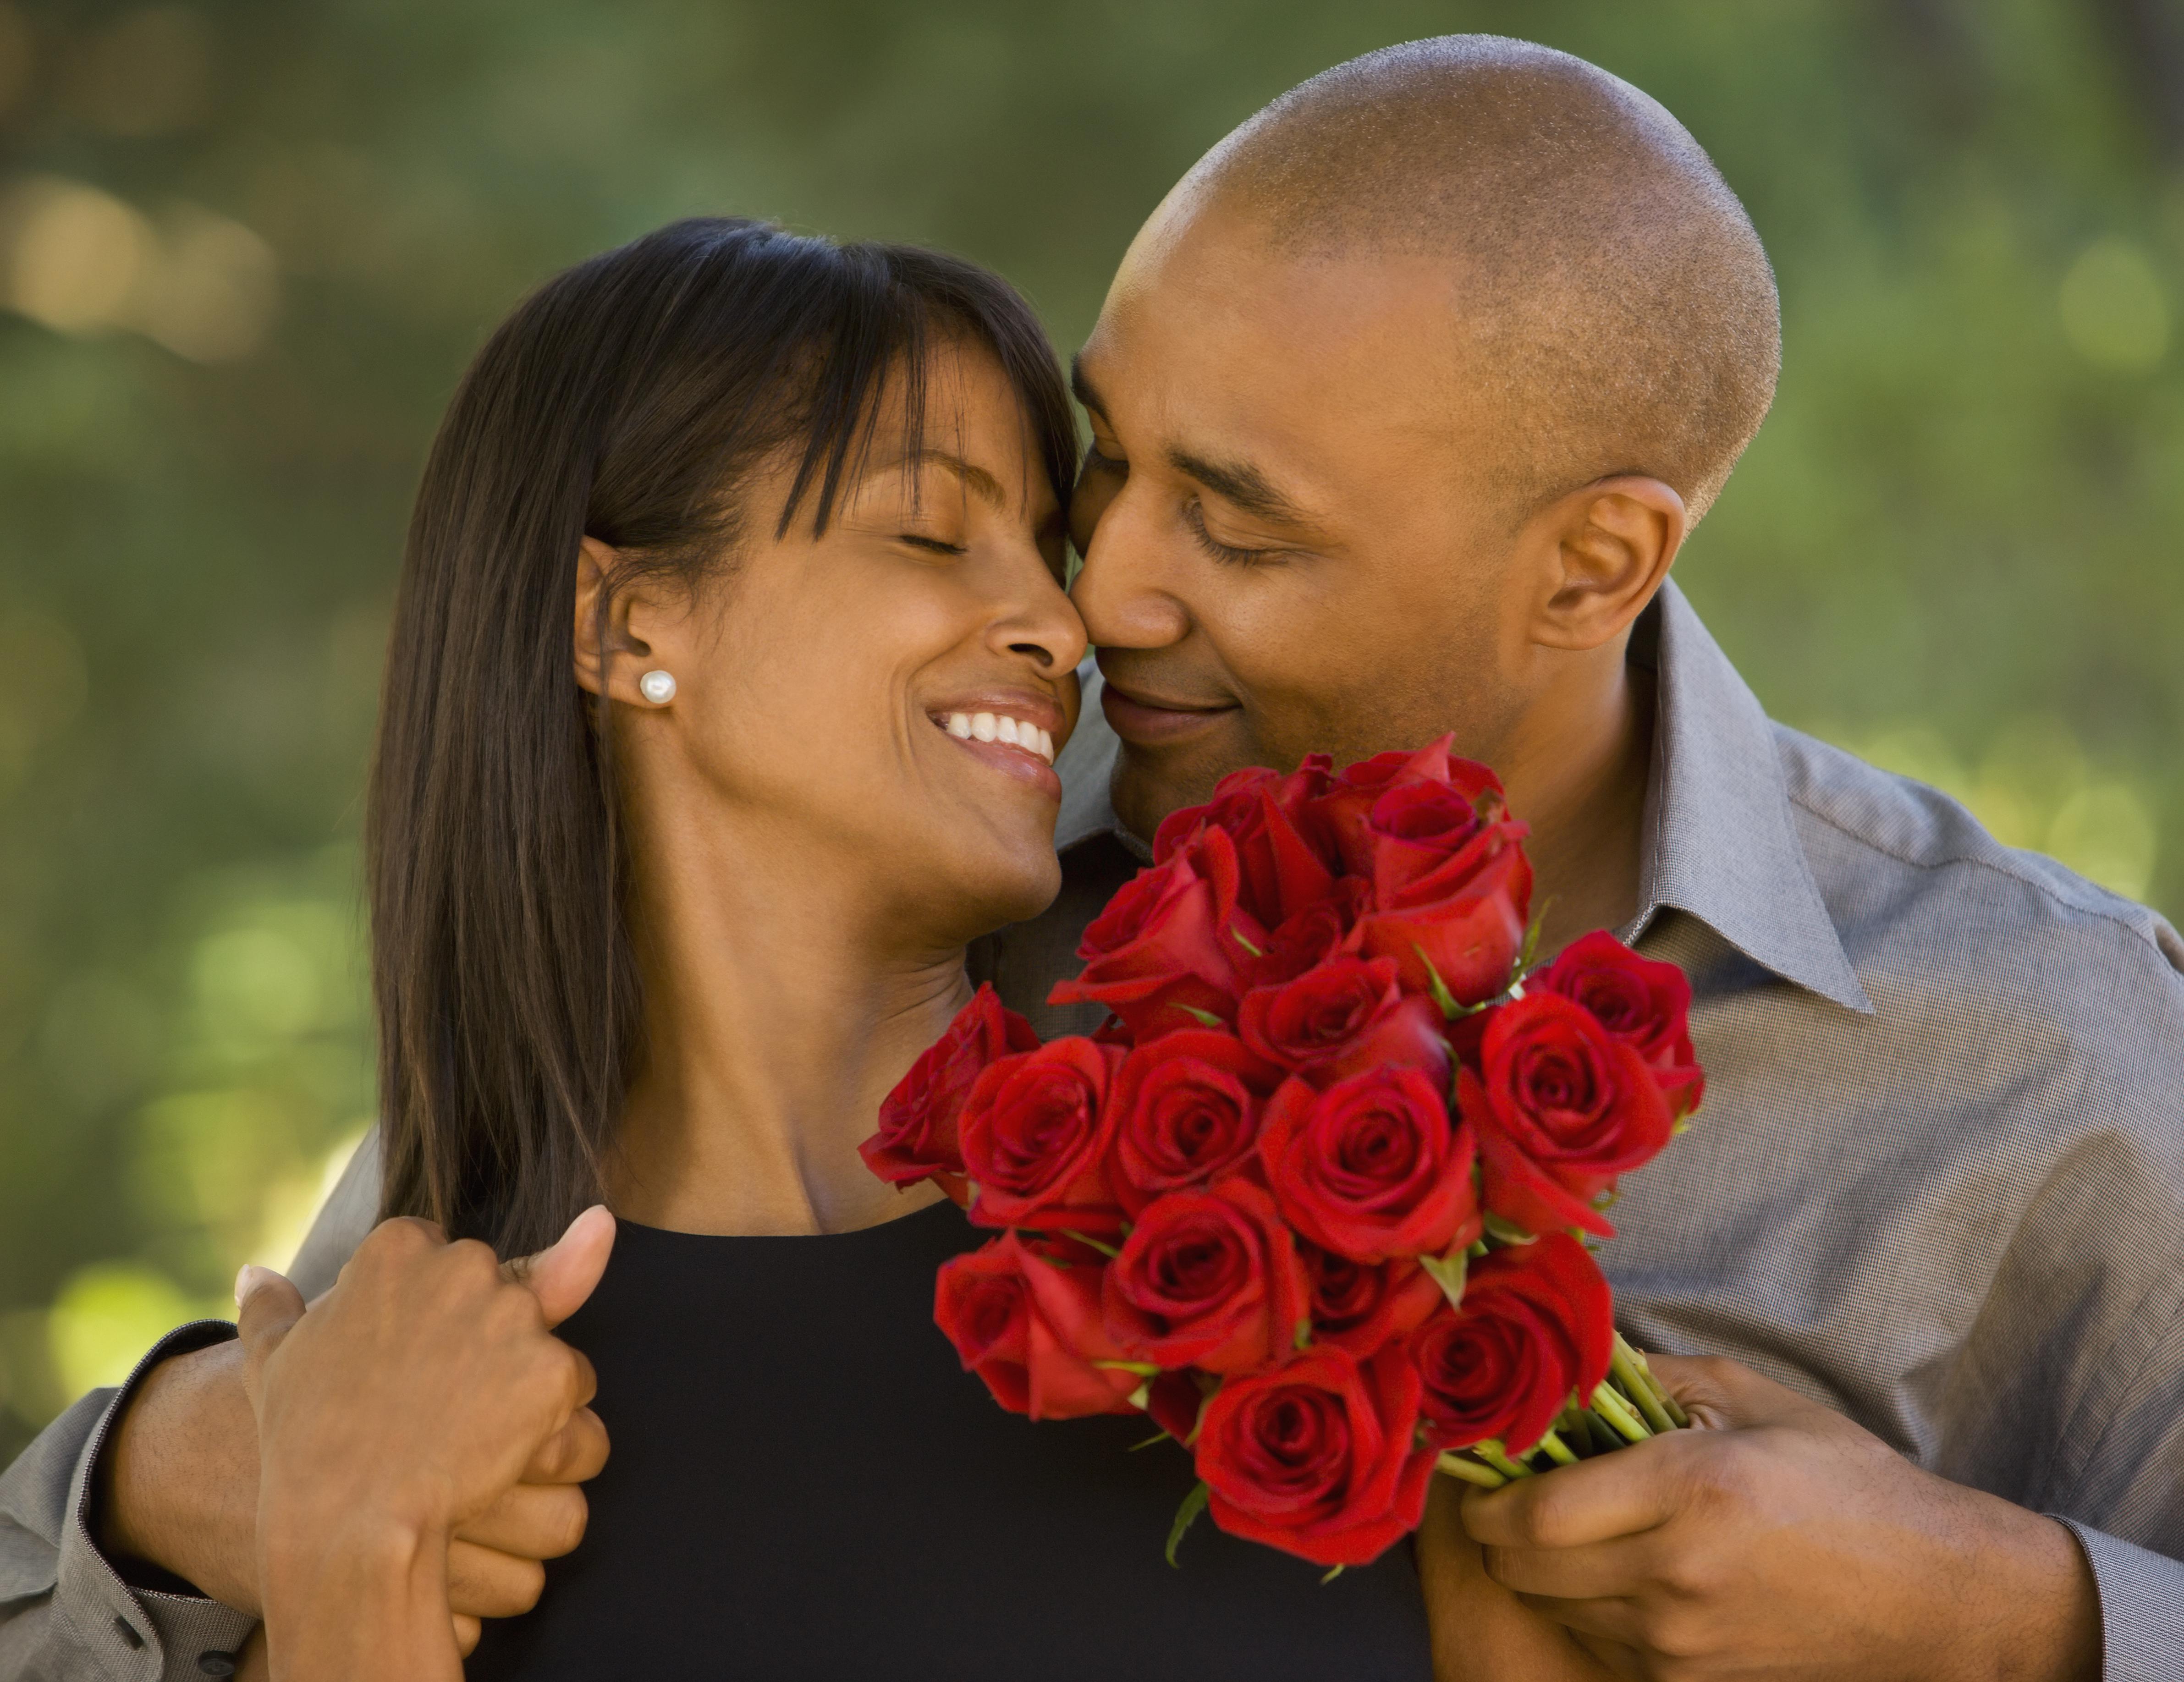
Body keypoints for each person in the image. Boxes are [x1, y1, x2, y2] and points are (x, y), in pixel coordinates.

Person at [6, 33, 2182, 1682]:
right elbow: (387, 1362)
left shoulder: (2036, 1050)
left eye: (1234, 522)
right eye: (1104, 463)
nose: (1100, 596)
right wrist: (196, 1465)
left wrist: (2023, 1616)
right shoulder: (911, 870)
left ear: (1592, 560)